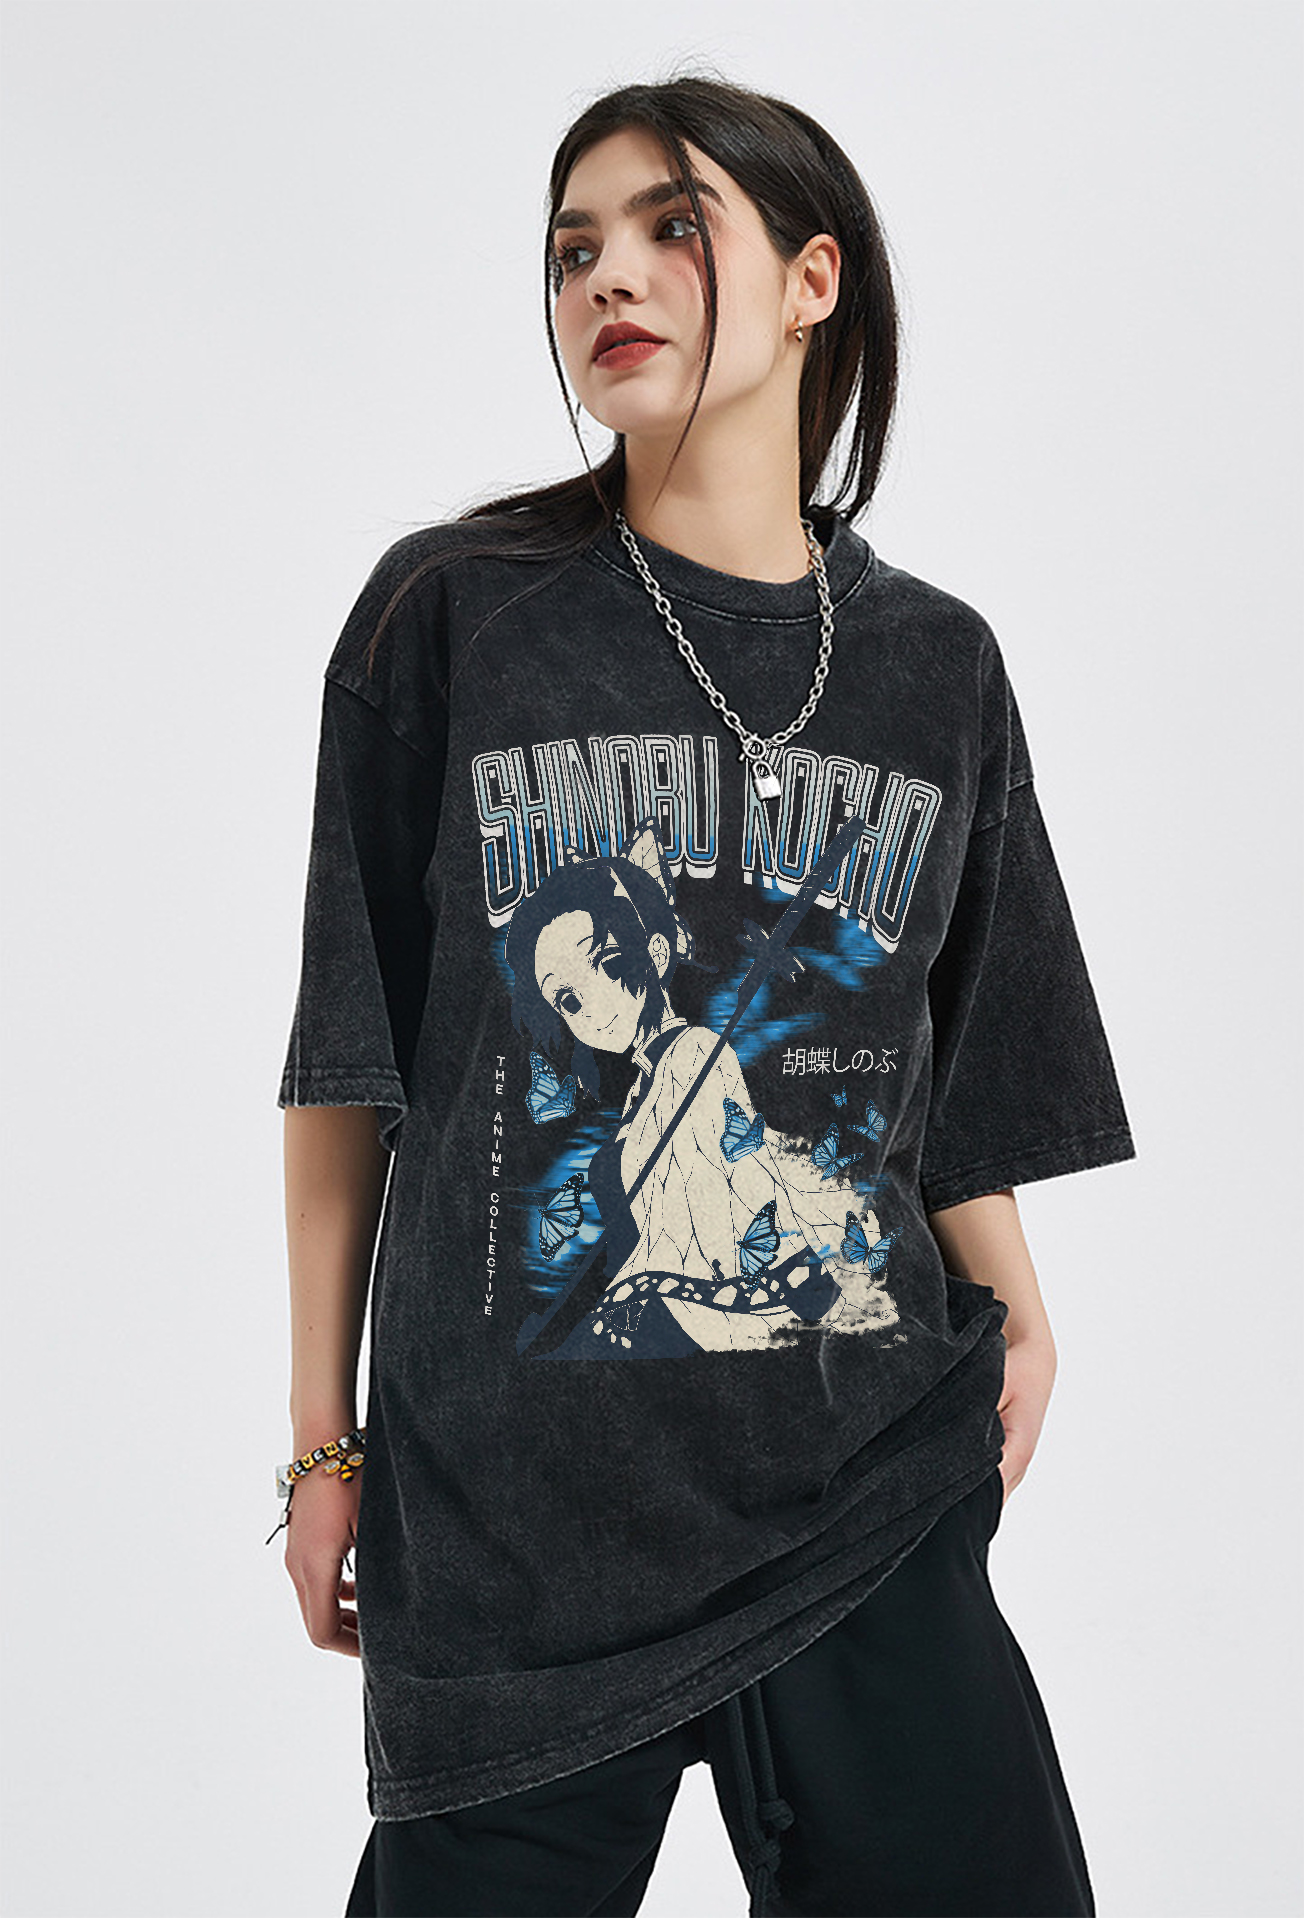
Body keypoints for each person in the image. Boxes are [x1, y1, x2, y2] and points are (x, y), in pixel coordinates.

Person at [274, 72, 1135, 1918]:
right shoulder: (454, 618)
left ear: (813, 281)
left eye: (675, 228)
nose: (610, 277)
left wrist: (1024, 1310)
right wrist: (325, 1437)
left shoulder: (937, 667)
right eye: (574, 247)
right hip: (516, 1523)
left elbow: (946, 1054)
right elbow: (349, 1065)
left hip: (860, 1488)